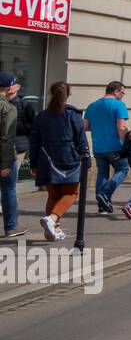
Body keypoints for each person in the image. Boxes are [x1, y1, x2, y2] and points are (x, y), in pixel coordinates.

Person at [28, 81, 87, 241]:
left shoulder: (42, 115)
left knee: (53, 195)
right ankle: (52, 219)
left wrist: (33, 163)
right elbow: (81, 139)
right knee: (71, 193)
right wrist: (85, 157)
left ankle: (53, 230)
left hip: (46, 159)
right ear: (67, 95)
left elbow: (34, 141)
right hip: (69, 158)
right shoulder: (73, 114)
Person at [84, 80, 130, 213]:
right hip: (115, 145)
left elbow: (85, 127)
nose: (123, 95)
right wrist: (127, 144)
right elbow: (121, 127)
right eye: (122, 92)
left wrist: (100, 127)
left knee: (102, 174)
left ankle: (102, 205)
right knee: (123, 169)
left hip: (98, 146)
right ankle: (105, 193)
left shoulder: (92, 106)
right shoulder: (119, 105)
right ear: (116, 91)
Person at [0, 71, 23, 238]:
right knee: (8, 190)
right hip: (3, 157)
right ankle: (11, 227)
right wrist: (6, 163)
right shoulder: (8, 108)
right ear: (8, 88)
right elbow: (6, 138)